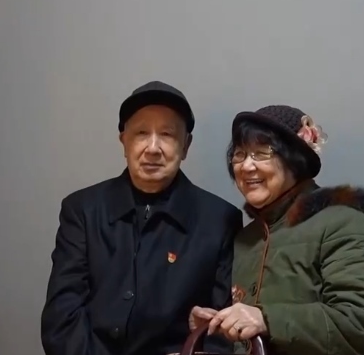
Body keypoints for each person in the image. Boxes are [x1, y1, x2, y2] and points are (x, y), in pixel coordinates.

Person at [41, 81, 243, 355]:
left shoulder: (220, 220)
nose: (153, 148)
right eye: (141, 133)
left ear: (186, 145)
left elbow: (221, 331)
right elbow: (61, 319)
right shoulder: (82, 210)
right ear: (124, 141)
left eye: (167, 134)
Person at [189, 105, 364, 355]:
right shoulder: (247, 239)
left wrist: (264, 319)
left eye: (262, 153)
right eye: (239, 154)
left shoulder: (342, 220)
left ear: (295, 160)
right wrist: (220, 327)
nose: (246, 166)